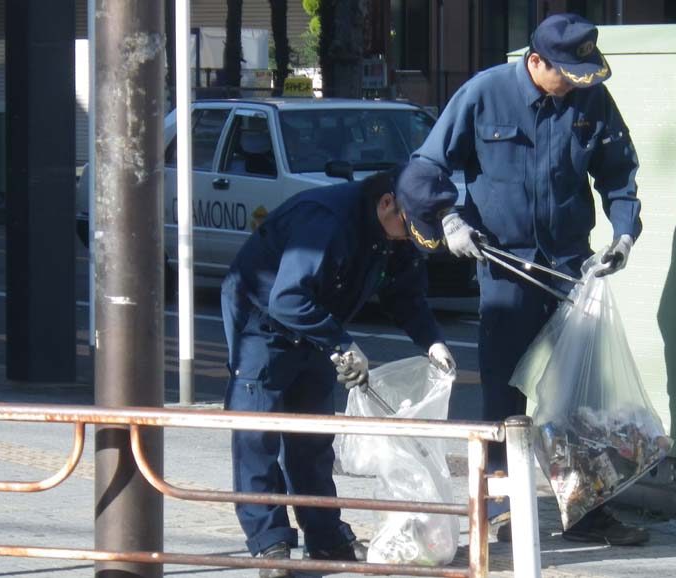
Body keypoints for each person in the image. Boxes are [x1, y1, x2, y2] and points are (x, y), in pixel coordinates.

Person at [409, 12, 647, 545]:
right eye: (565, 73)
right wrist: (448, 220)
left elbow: (620, 174)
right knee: (503, 398)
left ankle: (587, 511)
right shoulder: (483, 94)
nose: (576, 84)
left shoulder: (588, 98)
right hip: (505, 270)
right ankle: (502, 509)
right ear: (534, 61)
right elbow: (425, 168)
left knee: (584, 398)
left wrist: (624, 236)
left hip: (569, 270)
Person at [221, 163, 459, 578]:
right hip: (261, 322)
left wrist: (432, 341)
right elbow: (288, 298)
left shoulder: (396, 233)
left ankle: (326, 534)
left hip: (317, 326)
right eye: (407, 227)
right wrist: (342, 344)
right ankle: (269, 543)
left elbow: (405, 296)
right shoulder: (328, 222)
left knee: (312, 436)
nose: (408, 238)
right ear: (387, 203)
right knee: (256, 434)